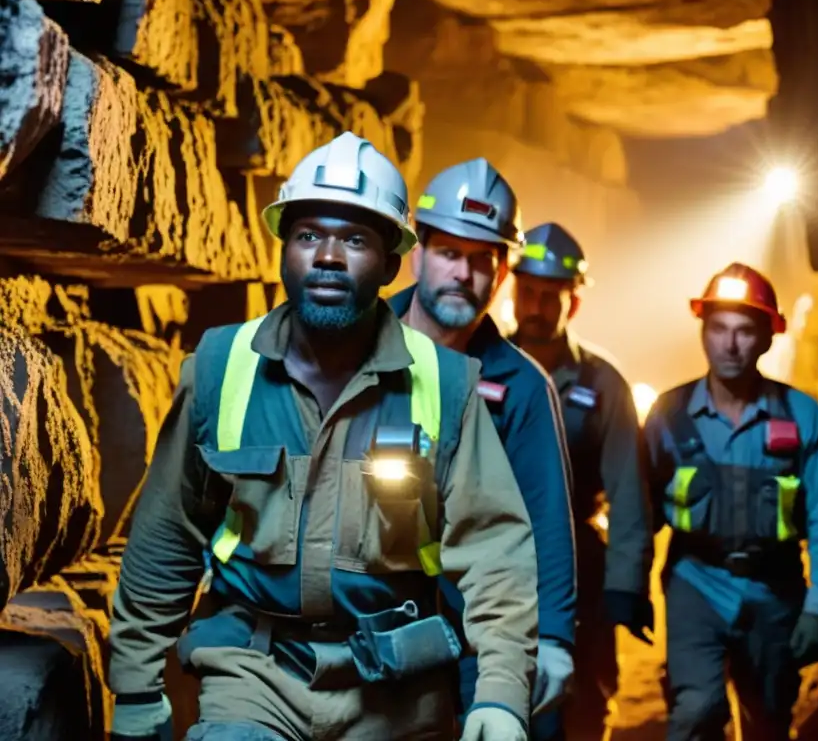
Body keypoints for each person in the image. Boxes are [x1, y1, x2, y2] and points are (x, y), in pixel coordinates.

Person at [107, 132, 539, 741]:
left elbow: (495, 555)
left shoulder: (444, 384)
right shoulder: (220, 366)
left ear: (391, 264)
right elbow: (167, 534)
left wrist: (500, 694)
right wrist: (134, 683)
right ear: (284, 249)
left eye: (356, 239)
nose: (329, 256)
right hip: (250, 675)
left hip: (394, 692)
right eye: (309, 235)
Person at [388, 159, 577, 739]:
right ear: (418, 254)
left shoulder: (521, 386)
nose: (462, 273)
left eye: (481, 260)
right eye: (449, 252)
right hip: (371, 608)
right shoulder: (354, 345)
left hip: (479, 624)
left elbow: (547, 518)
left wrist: (554, 639)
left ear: (500, 275)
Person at [643, 262, 818, 741]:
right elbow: (640, 513)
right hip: (696, 580)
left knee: (770, 722)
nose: (729, 344)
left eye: (744, 330)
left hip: (774, 588)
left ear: (767, 337)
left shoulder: (801, 416)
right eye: (718, 329)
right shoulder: (668, 416)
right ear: (703, 332)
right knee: (696, 710)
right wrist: (625, 585)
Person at [509, 222, 654, 739]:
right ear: (512, 288)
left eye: (552, 295)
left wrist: (626, 584)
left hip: (579, 566)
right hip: (497, 560)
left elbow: (629, 493)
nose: (537, 305)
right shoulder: (481, 367)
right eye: (528, 291)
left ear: (574, 302)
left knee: (584, 703)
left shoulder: (602, 383)